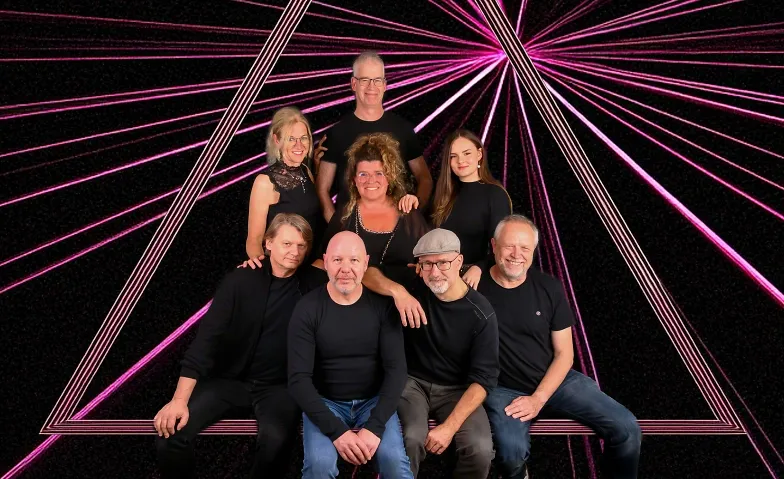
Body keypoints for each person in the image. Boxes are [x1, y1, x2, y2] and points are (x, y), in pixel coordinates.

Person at [154, 213, 328, 479]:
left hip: (280, 387)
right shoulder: (240, 280)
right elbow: (205, 341)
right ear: (268, 243)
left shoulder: (316, 284)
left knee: (275, 444)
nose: (295, 252)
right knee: (171, 436)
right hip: (230, 382)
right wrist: (178, 401)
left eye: (301, 246)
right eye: (287, 244)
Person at [478, 215, 642, 479]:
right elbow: (440, 268)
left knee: (627, 427)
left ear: (534, 251)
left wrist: (538, 398)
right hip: (503, 389)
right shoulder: (472, 288)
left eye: (525, 248)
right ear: (494, 246)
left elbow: (565, 354)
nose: (517, 255)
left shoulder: (549, 288)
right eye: (509, 246)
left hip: (557, 380)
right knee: (510, 454)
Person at [364, 228, 499, 478]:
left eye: (443, 263)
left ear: (459, 261)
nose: (435, 272)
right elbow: (367, 272)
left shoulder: (481, 312)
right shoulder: (414, 283)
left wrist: (449, 428)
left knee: (479, 449)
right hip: (412, 382)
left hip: (458, 390)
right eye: (427, 264)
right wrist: (398, 292)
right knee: (410, 438)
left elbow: (484, 380)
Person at [287, 231, 413, 479]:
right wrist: (337, 432)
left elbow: (397, 371)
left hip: (374, 401)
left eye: (354, 260)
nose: (345, 269)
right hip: (326, 402)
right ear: (325, 262)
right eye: (337, 260)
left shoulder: (383, 307)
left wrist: (374, 427)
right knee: (319, 465)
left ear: (365, 263)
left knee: (394, 462)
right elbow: (298, 380)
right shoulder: (307, 309)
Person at [315, 51, 432, 221]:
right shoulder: (336, 133)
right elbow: (322, 189)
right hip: (350, 230)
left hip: (397, 228)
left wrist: (415, 212)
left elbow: (425, 178)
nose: (371, 87)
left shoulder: (403, 129)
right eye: (365, 80)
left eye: (377, 80)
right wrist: (336, 228)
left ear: (384, 85)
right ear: (354, 84)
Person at [319, 132, 428, 304]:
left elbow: (430, 258)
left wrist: (425, 265)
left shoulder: (408, 212)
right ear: (354, 180)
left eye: (379, 173)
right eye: (363, 174)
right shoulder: (344, 216)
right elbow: (323, 260)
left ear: (389, 177)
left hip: (405, 306)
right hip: (355, 307)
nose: (371, 180)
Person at [431, 129, 512, 290]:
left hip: (474, 279)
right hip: (438, 278)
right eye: (453, 156)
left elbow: (503, 244)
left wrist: (479, 267)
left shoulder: (495, 194)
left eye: (467, 153)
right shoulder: (442, 193)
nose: (460, 160)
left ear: (479, 154)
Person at [246, 106, 325, 267]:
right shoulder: (265, 182)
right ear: (277, 140)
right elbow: (254, 240)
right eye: (291, 139)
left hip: (311, 264)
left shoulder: (306, 171)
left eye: (303, 138)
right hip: (284, 268)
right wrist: (264, 272)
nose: (299, 145)